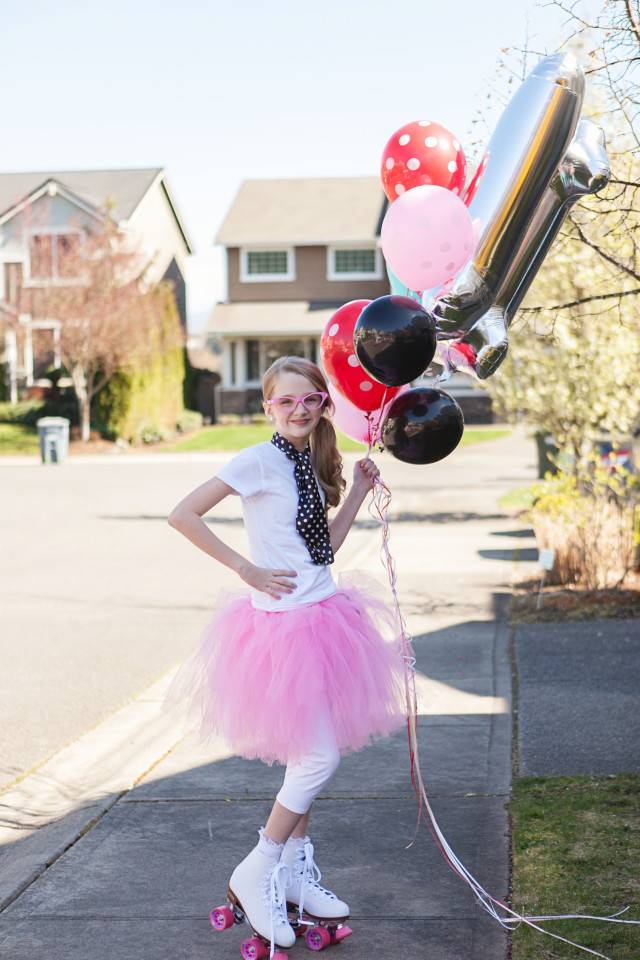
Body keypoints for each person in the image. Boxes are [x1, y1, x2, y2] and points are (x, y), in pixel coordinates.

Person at [167, 356, 407, 952]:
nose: (300, 410)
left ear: (325, 405)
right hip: (284, 630)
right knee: (318, 760)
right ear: (267, 406)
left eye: (312, 400)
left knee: (308, 752)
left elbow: (322, 548)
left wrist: (358, 491)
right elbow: (182, 514)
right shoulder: (257, 460)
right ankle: (259, 867)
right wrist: (246, 568)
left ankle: (294, 872)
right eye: (287, 401)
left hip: (325, 616)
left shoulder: (312, 459)